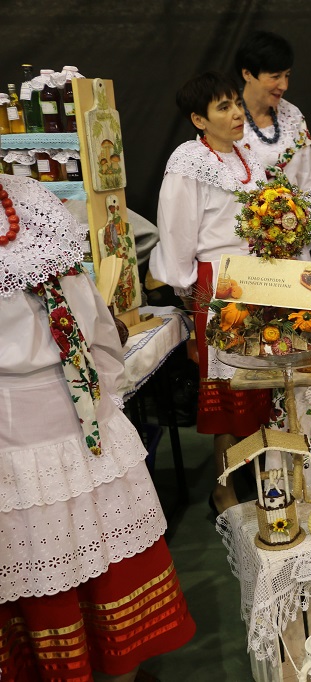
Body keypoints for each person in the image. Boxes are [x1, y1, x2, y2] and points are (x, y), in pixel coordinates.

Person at [0, 175, 195, 681]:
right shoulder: (31, 208)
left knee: (102, 561)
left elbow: (89, 318)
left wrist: (103, 396)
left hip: (75, 416)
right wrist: (104, 390)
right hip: (28, 432)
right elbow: (95, 329)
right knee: (55, 566)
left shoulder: (32, 206)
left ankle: (109, 665)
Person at [150, 72, 273, 513]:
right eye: (224, 107)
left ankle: (263, 479)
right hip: (219, 285)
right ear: (198, 119)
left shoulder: (247, 156)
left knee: (261, 387)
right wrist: (191, 297)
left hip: (259, 280)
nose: (238, 113)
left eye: (237, 102)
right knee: (230, 389)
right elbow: (176, 233)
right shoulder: (188, 163)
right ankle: (224, 489)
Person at [236, 30, 311, 222]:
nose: (284, 85)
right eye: (275, 77)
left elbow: (308, 183)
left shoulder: (293, 116)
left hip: (290, 231)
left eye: (287, 75)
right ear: (247, 74)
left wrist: (303, 229)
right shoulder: (223, 119)